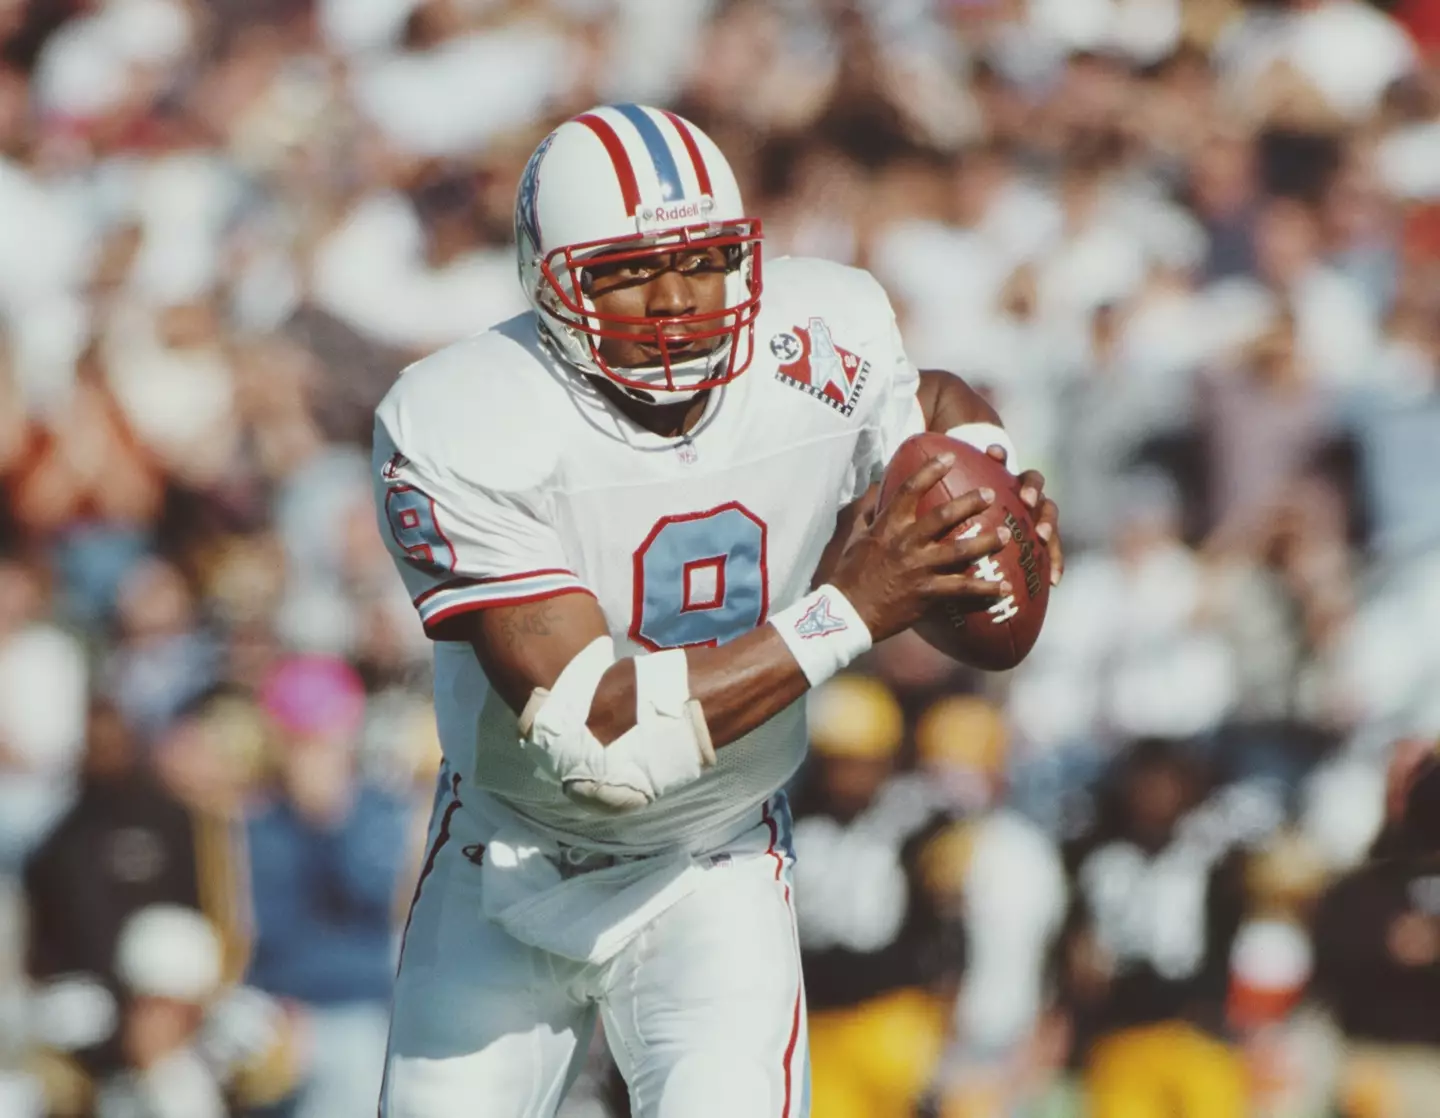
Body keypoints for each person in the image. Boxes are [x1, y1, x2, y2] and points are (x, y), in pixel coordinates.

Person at [371, 103, 1064, 1118]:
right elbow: (603, 745)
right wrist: (851, 608)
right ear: (550, 277)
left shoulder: (824, 332)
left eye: (703, 259)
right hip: (507, 863)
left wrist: (985, 479)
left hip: (716, 859)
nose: (674, 299)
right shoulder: (463, 416)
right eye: (623, 270)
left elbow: (937, 408)